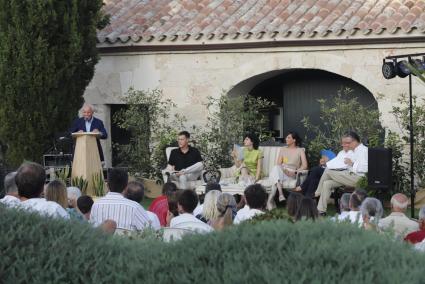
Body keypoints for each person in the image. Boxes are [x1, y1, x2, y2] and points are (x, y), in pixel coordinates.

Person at [315, 131, 367, 214]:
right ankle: (321, 211)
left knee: (328, 171)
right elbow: (341, 163)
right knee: (327, 184)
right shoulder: (351, 151)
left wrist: (352, 164)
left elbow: (366, 168)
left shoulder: (363, 151)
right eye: (344, 143)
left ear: (355, 141)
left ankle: (317, 192)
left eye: (348, 143)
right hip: (348, 176)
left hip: (358, 179)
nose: (346, 145)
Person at [269, 131, 308, 204]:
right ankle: (280, 194)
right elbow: (278, 163)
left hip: (291, 173)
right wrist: (284, 170)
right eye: (286, 137)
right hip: (282, 171)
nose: (286, 139)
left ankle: (270, 201)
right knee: (276, 168)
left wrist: (296, 172)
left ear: (294, 140)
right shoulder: (283, 149)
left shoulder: (300, 150)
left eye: (288, 137)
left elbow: (305, 165)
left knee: (275, 174)